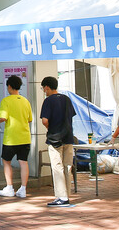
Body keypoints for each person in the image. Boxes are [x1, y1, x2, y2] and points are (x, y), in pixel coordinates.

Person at [0, 75, 33, 197]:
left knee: (6, 161)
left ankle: (9, 187)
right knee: (23, 162)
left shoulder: (6, 101)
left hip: (11, 138)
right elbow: (29, 119)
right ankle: (23, 189)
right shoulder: (26, 101)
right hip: (25, 137)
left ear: (9, 86)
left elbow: (3, 117)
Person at [40, 76, 76, 207]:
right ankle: (67, 195)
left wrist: (50, 128)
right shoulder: (67, 99)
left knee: (57, 167)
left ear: (47, 87)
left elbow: (45, 120)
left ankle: (62, 197)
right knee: (67, 166)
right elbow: (71, 116)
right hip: (68, 137)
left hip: (55, 139)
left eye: (43, 88)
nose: (44, 91)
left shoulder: (48, 101)